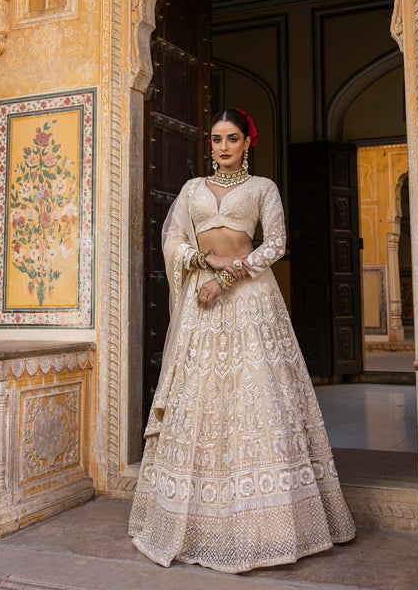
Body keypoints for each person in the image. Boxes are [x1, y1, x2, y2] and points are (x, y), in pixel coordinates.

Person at [129, 108, 355, 573]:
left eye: (232, 138)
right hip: (202, 300)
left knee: (256, 395)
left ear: (248, 142)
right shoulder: (192, 189)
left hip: (250, 298)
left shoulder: (262, 188)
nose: (223, 147)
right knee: (202, 397)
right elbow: (172, 239)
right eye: (216, 139)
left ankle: (268, 526)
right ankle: (199, 524)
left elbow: (276, 244)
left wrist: (228, 276)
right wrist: (203, 263)